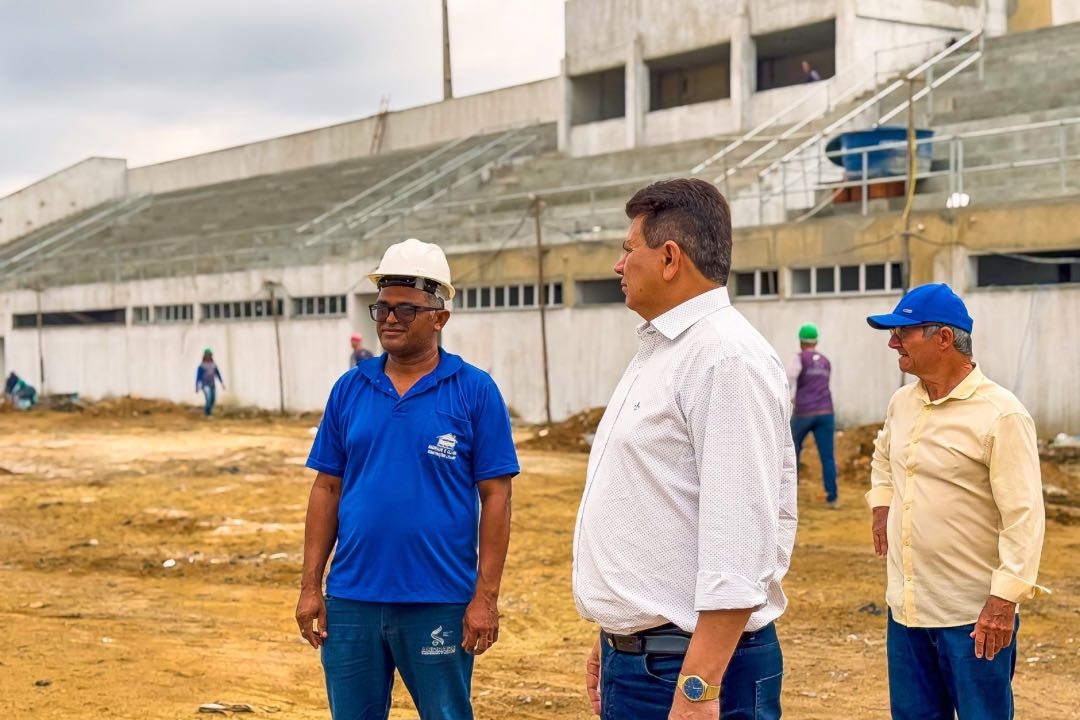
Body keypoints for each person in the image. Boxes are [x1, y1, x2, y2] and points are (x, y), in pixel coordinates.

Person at [573, 179, 797, 720]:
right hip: (649, 660)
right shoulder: (668, 351)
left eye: (629, 250)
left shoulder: (724, 360)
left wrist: (697, 690)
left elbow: (739, 547)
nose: (618, 265)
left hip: (687, 673)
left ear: (670, 258)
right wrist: (618, 632)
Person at [296, 238, 519, 720]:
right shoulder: (350, 388)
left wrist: (485, 598)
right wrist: (311, 585)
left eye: (406, 309)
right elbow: (327, 488)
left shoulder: (474, 391)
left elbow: (496, 498)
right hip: (352, 599)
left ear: (440, 316)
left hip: (438, 600)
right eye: (382, 307)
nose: (389, 319)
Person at [865, 283, 1047, 720]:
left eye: (903, 333)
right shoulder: (902, 403)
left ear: (943, 339)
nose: (893, 343)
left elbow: (1024, 516)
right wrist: (882, 504)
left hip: (972, 619)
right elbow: (883, 455)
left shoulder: (1001, 415)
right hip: (907, 610)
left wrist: (1004, 602)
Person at [786, 322, 838, 507]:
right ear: (816, 341)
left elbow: (789, 380)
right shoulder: (825, 361)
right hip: (826, 412)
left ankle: (789, 495)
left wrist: (788, 400)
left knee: (792, 451)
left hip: (805, 412)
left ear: (801, 341)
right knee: (827, 456)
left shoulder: (799, 358)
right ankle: (832, 497)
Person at [194, 348, 224, 417]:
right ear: (204, 356)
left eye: (209, 355)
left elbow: (218, 374)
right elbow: (198, 377)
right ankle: (208, 413)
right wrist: (197, 386)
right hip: (205, 385)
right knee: (209, 399)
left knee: (213, 399)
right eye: (207, 355)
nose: (208, 356)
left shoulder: (213, 365)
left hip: (212, 384)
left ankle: (207, 412)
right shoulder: (202, 366)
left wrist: (222, 383)